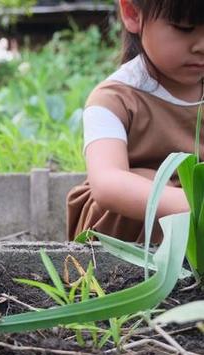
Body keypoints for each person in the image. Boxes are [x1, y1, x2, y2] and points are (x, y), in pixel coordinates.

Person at [67, 0, 204, 243]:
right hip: (126, 234)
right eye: (184, 28)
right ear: (132, 13)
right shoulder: (114, 99)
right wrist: (195, 207)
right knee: (146, 179)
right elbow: (107, 183)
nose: (201, 45)